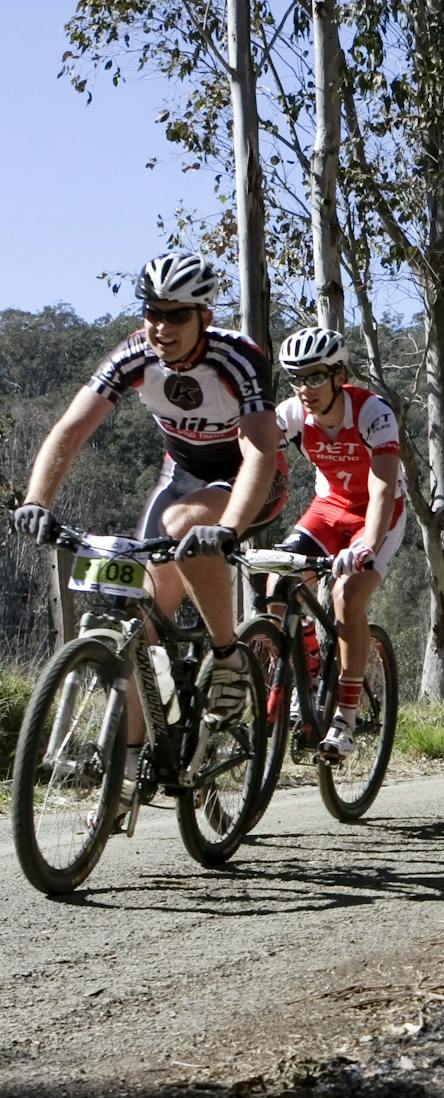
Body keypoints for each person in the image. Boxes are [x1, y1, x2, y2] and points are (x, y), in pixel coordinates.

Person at [12, 252, 286, 753]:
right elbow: (71, 430)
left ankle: (227, 658)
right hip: (182, 474)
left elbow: (260, 453)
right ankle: (128, 769)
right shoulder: (133, 354)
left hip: (249, 479)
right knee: (138, 616)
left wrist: (227, 527)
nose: (162, 326)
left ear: (205, 316)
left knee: (184, 525)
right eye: (153, 311)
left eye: (177, 314)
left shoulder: (238, 358)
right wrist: (37, 501)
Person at [270, 326, 406, 761]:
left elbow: (383, 488)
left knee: (347, 596)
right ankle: (307, 675)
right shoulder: (290, 414)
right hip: (328, 509)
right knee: (277, 586)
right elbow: (252, 461)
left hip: (378, 512)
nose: (304, 389)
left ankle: (346, 718)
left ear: (338, 375)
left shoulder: (373, 412)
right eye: (296, 378)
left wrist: (367, 543)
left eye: (314, 377)